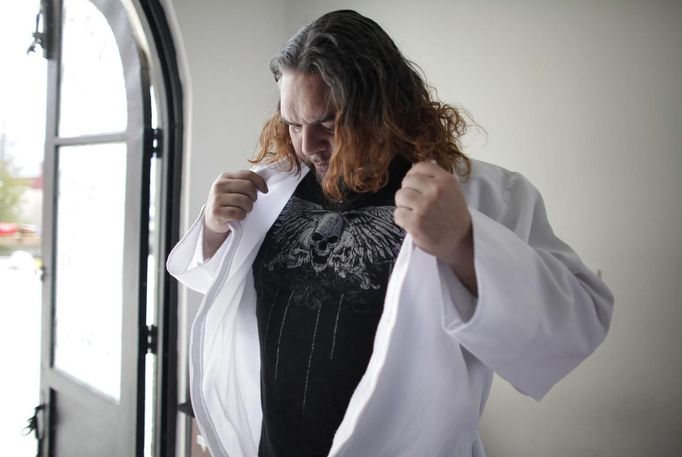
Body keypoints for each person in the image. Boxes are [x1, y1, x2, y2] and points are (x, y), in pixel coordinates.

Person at [167, 10, 613, 457]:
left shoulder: (478, 197)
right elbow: (226, 298)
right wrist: (212, 231)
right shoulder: (273, 186)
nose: (307, 145)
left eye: (328, 123)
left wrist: (465, 245)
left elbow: (577, 324)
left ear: (383, 109)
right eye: (294, 124)